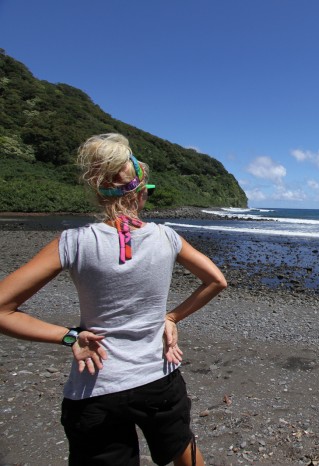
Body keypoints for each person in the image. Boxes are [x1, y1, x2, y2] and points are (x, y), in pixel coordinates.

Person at [0, 133, 227, 465]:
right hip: (159, 378)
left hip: (96, 386)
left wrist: (70, 336)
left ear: (97, 191)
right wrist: (172, 317)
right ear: (141, 191)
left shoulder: (74, 242)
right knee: (186, 453)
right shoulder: (166, 237)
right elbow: (216, 280)